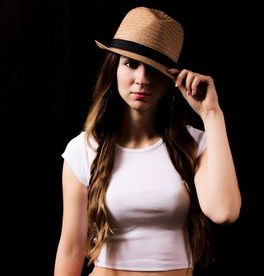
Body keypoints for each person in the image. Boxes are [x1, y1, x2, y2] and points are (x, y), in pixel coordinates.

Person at [54, 6, 241, 276]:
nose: (142, 80)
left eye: (154, 70)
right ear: (114, 68)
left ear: (171, 79)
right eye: (131, 64)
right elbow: (71, 249)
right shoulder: (83, 149)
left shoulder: (194, 144)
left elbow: (224, 212)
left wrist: (211, 114)